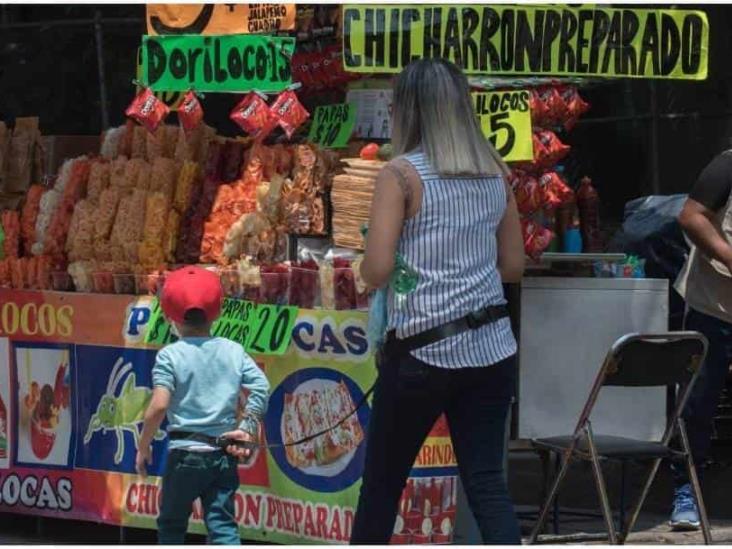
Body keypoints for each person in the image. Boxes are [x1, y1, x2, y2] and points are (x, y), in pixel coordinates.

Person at [351, 59, 525, 544]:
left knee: (383, 485)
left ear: (408, 108)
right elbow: (513, 266)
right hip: (491, 347)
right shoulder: (495, 173)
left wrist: (365, 266)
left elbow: (378, 269)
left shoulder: (401, 175)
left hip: (421, 352)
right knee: (487, 484)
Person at [135, 266, 270, 545]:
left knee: (172, 525)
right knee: (222, 526)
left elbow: (159, 406)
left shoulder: (169, 356)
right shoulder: (233, 350)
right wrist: (247, 426)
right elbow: (261, 386)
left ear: (169, 315)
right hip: (222, 455)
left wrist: (143, 444)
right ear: (218, 312)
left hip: (183, 456)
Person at [672, 151, 732, 530]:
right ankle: (684, 491)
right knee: (698, 405)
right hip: (716, 306)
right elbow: (691, 216)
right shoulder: (728, 164)